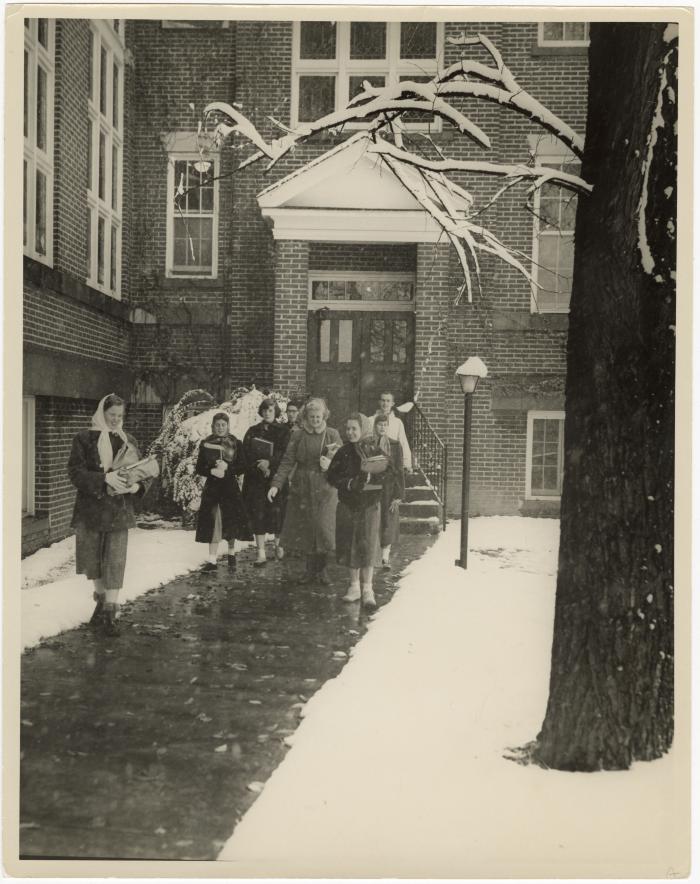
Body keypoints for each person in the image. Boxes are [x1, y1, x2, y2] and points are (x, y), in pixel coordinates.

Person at [67, 393, 148, 637]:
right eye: (112, 415)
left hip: (118, 511)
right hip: (91, 510)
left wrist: (137, 487)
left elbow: (142, 471)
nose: (115, 420)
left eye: (120, 416)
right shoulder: (84, 439)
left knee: (114, 561)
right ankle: (101, 603)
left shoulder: (128, 440)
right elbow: (75, 472)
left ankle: (110, 614)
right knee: (92, 562)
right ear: (102, 413)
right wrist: (103, 479)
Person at [268, 398, 341, 584]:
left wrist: (331, 465)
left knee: (323, 527)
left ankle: (322, 570)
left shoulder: (332, 434)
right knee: (306, 528)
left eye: (318, 416)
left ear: (324, 416)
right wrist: (276, 484)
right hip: (302, 486)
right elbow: (287, 460)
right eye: (312, 416)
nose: (315, 419)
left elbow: (342, 462)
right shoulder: (298, 435)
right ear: (306, 417)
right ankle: (309, 571)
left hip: (325, 486)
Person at [327, 413, 389, 609]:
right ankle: (354, 586)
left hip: (368, 506)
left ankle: (368, 588)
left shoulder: (374, 450)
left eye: (354, 428)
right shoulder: (343, 452)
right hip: (348, 505)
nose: (350, 432)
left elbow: (388, 474)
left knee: (367, 545)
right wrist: (349, 483)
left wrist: (374, 481)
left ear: (363, 429)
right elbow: (332, 476)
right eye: (348, 429)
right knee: (349, 544)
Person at [195, 412, 252, 572]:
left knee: (231, 521)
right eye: (217, 425)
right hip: (212, 489)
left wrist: (228, 469)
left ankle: (231, 554)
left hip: (229, 488)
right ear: (213, 426)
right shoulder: (206, 443)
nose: (220, 428)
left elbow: (243, 466)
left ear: (228, 426)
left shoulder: (235, 443)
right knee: (213, 521)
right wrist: (211, 470)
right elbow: (199, 467)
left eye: (223, 425)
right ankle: (212, 561)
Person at [243, 398, 290, 566]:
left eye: (270, 410)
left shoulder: (284, 431)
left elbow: (286, 454)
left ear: (275, 412)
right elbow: (246, 453)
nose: (267, 413)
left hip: (277, 478)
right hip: (257, 478)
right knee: (259, 514)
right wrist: (259, 466)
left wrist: (270, 463)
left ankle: (279, 547)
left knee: (278, 512)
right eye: (264, 410)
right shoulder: (252, 431)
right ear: (261, 412)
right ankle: (261, 552)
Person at [374, 412, 405, 570]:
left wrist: (399, 495)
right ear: (375, 426)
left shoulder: (394, 445)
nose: (382, 428)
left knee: (388, 520)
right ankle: (375, 556)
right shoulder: (369, 444)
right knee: (375, 520)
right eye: (379, 425)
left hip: (389, 488)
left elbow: (399, 470)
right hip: (373, 488)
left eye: (385, 425)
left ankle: (385, 557)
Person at [376, 391, 412, 471]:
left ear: (392, 403)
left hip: (392, 461)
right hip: (376, 461)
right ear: (379, 402)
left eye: (388, 401)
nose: (385, 404)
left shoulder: (397, 422)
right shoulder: (371, 420)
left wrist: (407, 464)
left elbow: (403, 442)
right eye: (383, 400)